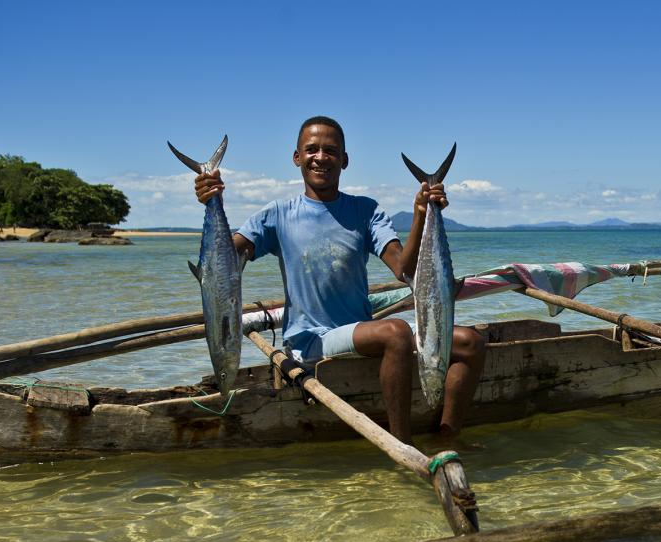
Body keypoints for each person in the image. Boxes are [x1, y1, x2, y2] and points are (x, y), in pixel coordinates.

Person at [194, 116, 486, 446]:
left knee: (471, 343)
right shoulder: (277, 214)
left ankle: (448, 437)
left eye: (331, 151)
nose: (321, 157)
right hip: (310, 340)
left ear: (344, 160)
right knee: (396, 332)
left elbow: (404, 270)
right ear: (297, 158)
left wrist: (421, 213)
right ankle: (402, 447)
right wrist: (211, 202)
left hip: (360, 330)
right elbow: (223, 266)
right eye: (312, 149)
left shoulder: (365, 210)